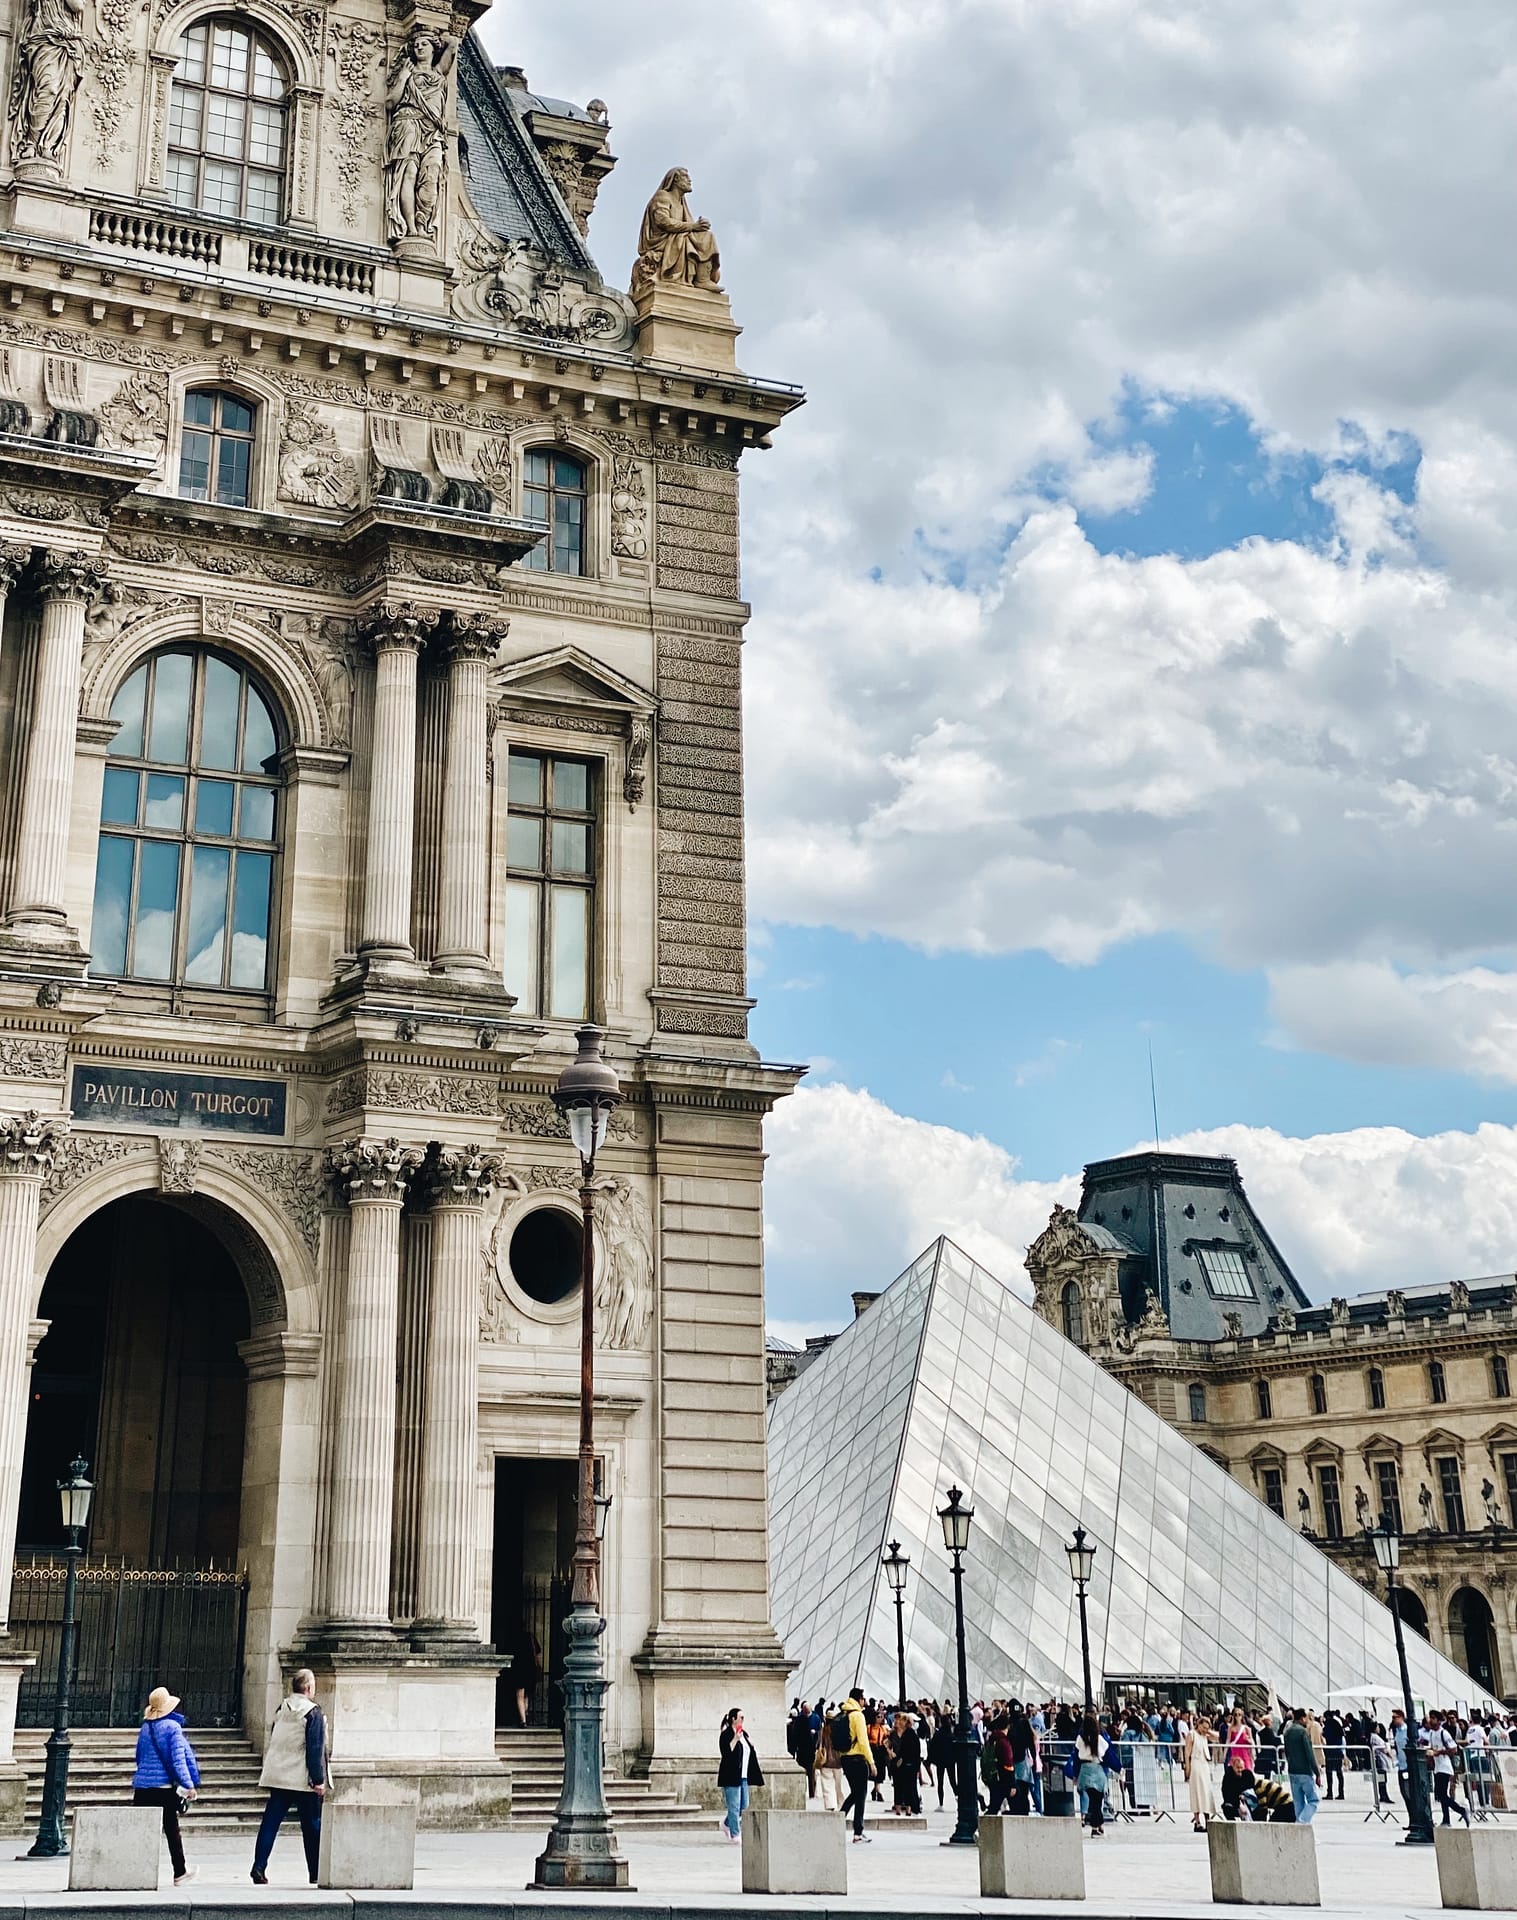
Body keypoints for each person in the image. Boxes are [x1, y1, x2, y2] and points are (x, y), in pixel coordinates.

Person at [251, 1668, 329, 1885]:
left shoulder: (281, 1708)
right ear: (309, 1687)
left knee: (270, 1822)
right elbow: (315, 1749)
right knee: (312, 1826)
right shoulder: (312, 1712)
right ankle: (315, 1872)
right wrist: (319, 1780)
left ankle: (259, 1866)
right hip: (301, 1778)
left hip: (279, 1774)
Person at [131, 1686, 199, 1887]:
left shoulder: (146, 1728)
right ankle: (180, 1872)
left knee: (142, 1832)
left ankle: (138, 1873)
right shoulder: (172, 1728)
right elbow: (179, 1761)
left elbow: (139, 1757)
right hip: (163, 1787)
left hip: (142, 1787)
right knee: (171, 1830)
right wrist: (189, 1785)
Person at [835, 1688, 877, 1843]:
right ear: (859, 1699)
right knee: (861, 1795)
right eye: (863, 1698)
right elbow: (863, 1742)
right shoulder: (858, 1716)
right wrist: (871, 1762)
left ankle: (839, 1818)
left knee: (855, 1793)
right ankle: (858, 1832)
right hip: (858, 1759)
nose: (864, 1701)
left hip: (845, 1759)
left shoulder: (843, 1714)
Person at [717, 1706, 764, 1842]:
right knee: (734, 1806)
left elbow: (748, 1752)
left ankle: (726, 1824)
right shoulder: (726, 1734)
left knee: (744, 1805)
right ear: (733, 1719)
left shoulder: (745, 1734)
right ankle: (735, 1834)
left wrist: (751, 1744)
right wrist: (736, 1739)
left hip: (743, 1775)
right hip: (731, 1775)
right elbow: (726, 1753)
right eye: (741, 1717)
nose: (743, 1720)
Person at [1427, 1712, 1470, 1828]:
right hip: (1437, 1767)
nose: (1431, 1720)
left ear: (1439, 1720)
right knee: (1441, 1794)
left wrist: (1439, 1752)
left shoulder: (1443, 1733)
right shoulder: (1431, 1733)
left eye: (1433, 1718)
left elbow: (1453, 1749)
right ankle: (1446, 1818)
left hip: (1444, 1767)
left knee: (1442, 1794)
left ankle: (1461, 1810)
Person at [1283, 1707, 1321, 1825]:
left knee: (1298, 1803)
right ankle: (1301, 1822)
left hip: (1293, 1770)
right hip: (1304, 1770)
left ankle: (1299, 1828)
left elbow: (1287, 1751)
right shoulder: (1302, 1732)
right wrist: (1317, 1772)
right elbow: (1309, 1753)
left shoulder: (1287, 1731)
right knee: (1313, 1800)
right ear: (1302, 1718)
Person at [1074, 1711, 1108, 1836]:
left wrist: (1075, 1774)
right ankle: (1098, 1825)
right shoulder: (1099, 1738)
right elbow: (1107, 1755)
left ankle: (1096, 1825)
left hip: (1085, 1770)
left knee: (1092, 1800)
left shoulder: (1080, 1739)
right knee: (1097, 1800)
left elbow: (1076, 1757)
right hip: (1097, 1769)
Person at [1184, 1714, 1218, 1831]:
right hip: (1196, 1764)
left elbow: (1217, 1737)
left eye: (1207, 1728)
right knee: (1197, 1792)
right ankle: (1197, 1820)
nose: (1205, 1730)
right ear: (1198, 1725)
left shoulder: (1205, 1736)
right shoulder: (1192, 1734)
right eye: (1203, 1727)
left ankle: (1208, 1818)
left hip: (1204, 1765)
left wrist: (1209, 1732)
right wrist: (1187, 1768)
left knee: (1206, 1792)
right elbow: (1187, 1752)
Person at [814, 1703, 844, 1813]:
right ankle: (840, 1803)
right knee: (838, 1785)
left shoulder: (822, 1731)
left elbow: (818, 1744)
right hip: (837, 1762)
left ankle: (830, 1804)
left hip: (825, 1761)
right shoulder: (839, 1731)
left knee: (827, 1785)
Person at [889, 1711, 922, 1815]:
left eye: (902, 1720)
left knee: (909, 1787)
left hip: (907, 1764)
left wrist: (900, 1758)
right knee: (907, 1787)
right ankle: (910, 1808)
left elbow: (907, 1751)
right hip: (907, 1764)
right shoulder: (908, 1733)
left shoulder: (908, 1734)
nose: (899, 1721)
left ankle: (912, 1807)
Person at [926, 1706, 956, 1809]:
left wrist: (929, 1760)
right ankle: (957, 1797)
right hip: (950, 1761)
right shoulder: (952, 1735)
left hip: (940, 1761)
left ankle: (941, 1804)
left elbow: (932, 1747)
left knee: (940, 1782)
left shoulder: (938, 1734)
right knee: (953, 1781)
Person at [787, 1700, 818, 1800]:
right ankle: (812, 1793)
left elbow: (794, 1738)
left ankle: (801, 1791)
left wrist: (793, 1750)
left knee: (801, 1773)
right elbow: (811, 1738)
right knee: (811, 1774)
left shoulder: (798, 1722)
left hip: (800, 1752)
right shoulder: (807, 1721)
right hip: (808, 1752)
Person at [1221, 1754, 1256, 1821]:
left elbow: (1252, 1789)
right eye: (1237, 1768)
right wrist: (1239, 1804)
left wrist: (1245, 1797)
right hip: (1234, 1802)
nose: (1240, 1770)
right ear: (1233, 1767)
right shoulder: (1228, 1777)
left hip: (1248, 1801)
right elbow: (1227, 1794)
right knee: (1227, 1808)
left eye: (1241, 1767)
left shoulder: (1248, 1775)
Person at [1321, 1708, 1346, 1801]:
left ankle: (1330, 1792)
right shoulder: (1337, 1724)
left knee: (1329, 1772)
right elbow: (1341, 1737)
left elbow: (1325, 1735)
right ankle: (1341, 1792)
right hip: (1338, 1751)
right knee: (1339, 1772)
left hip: (1330, 1751)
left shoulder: (1328, 1725)